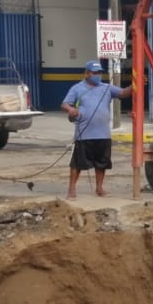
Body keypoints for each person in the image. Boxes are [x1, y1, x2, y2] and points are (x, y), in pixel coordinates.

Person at [61, 60, 132, 199]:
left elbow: (123, 93)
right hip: (84, 134)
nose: (98, 75)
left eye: (100, 73)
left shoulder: (107, 88)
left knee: (102, 163)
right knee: (78, 164)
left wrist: (134, 85)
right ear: (87, 73)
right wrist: (71, 109)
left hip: (103, 134)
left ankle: (99, 188)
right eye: (95, 73)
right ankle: (71, 189)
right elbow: (64, 104)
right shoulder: (77, 88)